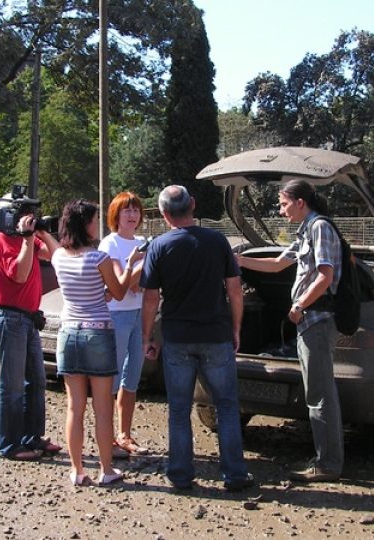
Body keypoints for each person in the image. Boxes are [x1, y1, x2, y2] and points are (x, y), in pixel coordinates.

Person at [140, 185, 254, 492]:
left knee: (179, 409)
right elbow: (234, 289)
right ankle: (235, 475)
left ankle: (180, 475)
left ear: (164, 214)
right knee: (227, 406)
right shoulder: (218, 241)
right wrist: (236, 327)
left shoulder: (159, 247)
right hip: (216, 335)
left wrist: (147, 336)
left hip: (177, 337)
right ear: (193, 204)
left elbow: (150, 298)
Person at [235, 179, 343, 482]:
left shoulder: (320, 227)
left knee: (320, 396)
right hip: (311, 320)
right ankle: (326, 460)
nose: (281, 211)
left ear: (300, 202)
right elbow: (276, 265)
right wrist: (238, 260)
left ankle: (328, 465)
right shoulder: (306, 230)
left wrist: (299, 306)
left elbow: (325, 275)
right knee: (317, 393)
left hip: (317, 319)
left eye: (283, 204)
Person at [52, 199, 143, 487]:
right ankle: (106, 470)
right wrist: (130, 266)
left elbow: (91, 293)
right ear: (85, 224)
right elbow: (117, 292)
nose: (97, 224)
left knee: (74, 407)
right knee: (102, 406)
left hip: (68, 333)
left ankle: (77, 470)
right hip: (98, 333)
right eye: (93, 220)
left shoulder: (59, 258)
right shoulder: (98, 258)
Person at [0, 213, 63, 462]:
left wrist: (43, 233)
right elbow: (19, 274)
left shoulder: (26, 239)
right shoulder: (0, 240)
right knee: (13, 386)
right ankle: (9, 444)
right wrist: (28, 239)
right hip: (10, 319)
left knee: (37, 382)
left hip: (28, 320)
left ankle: (31, 436)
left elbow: (55, 256)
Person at [98, 192, 151, 458]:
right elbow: (122, 284)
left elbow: (145, 285)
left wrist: (141, 264)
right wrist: (145, 262)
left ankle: (124, 434)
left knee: (132, 378)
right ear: (115, 215)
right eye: (126, 210)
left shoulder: (142, 243)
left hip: (140, 313)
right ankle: (108, 438)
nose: (132, 215)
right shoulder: (110, 244)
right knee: (113, 378)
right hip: (116, 315)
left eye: (135, 210)